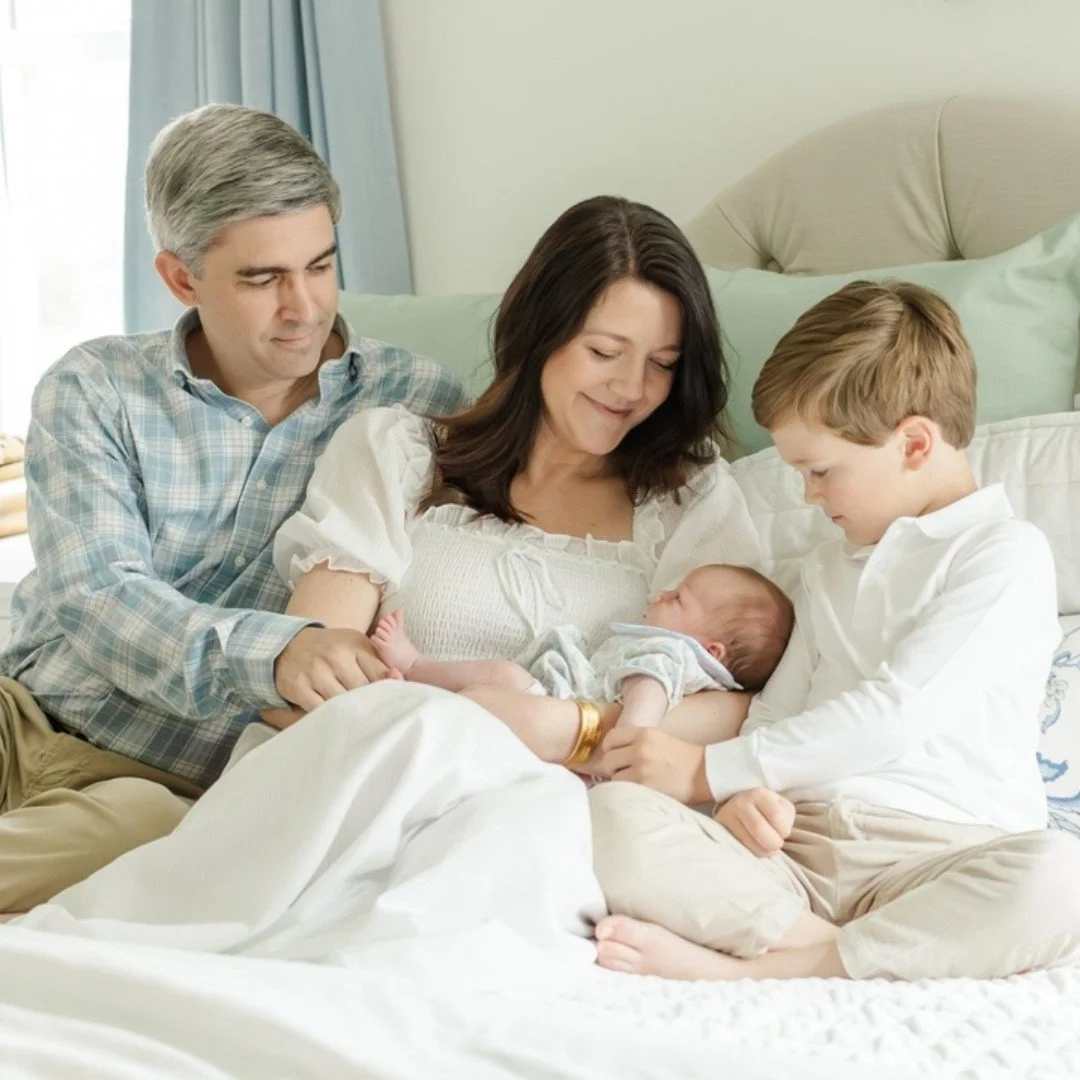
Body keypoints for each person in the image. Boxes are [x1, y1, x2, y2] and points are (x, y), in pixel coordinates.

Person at [10, 196, 762, 959]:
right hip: (355, 782)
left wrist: (571, 730)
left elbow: (744, 706)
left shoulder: (691, 498)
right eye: (605, 353)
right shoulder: (399, 451)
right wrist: (498, 721)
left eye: (663, 364)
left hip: (536, 826)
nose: (632, 389)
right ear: (540, 332)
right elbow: (311, 684)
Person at [0, 103, 468, 912]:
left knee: (144, 834)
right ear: (181, 277)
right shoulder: (94, 387)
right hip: (18, 709)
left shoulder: (416, 405)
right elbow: (95, 596)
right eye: (263, 278)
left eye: (320, 265)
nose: (304, 306)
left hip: (149, 784)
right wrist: (274, 653)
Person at [589, 280, 1080, 983]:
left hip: (941, 858)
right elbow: (777, 715)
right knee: (610, 815)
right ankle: (829, 949)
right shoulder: (826, 567)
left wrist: (707, 771)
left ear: (914, 443)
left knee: (1061, 878)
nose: (809, 496)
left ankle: (760, 971)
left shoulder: (1004, 554)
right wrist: (740, 802)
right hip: (802, 854)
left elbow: (897, 712)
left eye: (820, 471)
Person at [370, 564, 793, 736]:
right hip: (560, 710)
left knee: (501, 676)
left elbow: (650, 690)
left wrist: (631, 737)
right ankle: (414, 693)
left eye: (679, 599)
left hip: (559, 713)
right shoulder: (677, 653)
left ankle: (415, 667)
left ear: (712, 650)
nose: (663, 594)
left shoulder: (667, 655)